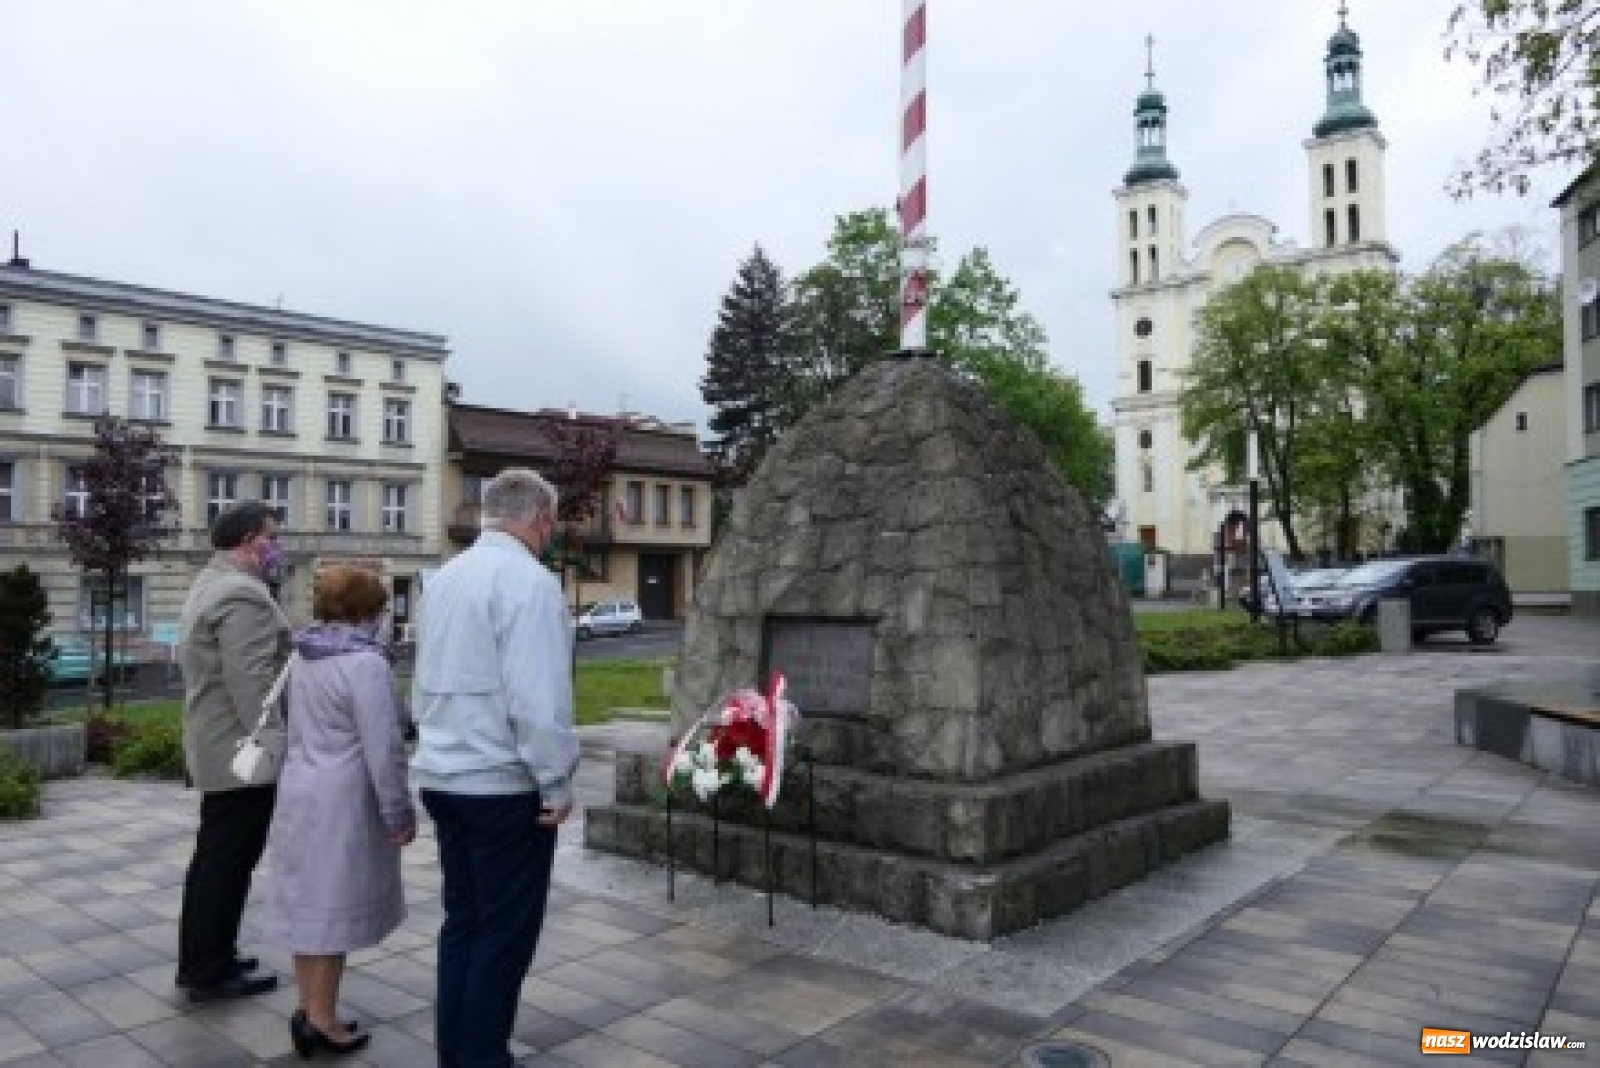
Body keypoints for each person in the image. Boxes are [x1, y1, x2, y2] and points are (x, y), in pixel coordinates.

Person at [411, 468, 579, 1068]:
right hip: (503, 785)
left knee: (463, 923)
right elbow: (539, 699)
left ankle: (456, 1053)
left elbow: (421, 677)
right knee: (503, 936)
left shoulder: (443, 578)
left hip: (442, 774)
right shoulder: (530, 584)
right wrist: (556, 781)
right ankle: (482, 1057)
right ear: (541, 519)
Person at [261, 565, 415, 1058]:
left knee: (309, 908)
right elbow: (383, 747)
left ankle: (309, 1009)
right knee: (333, 912)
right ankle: (323, 1022)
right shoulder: (365, 664)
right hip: (343, 800)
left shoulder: (304, 654)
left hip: (299, 789)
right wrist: (398, 811)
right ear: (368, 611)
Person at [175, 501, 289, 1002]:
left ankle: (206, 955)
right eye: (272, 537)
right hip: (241, 753)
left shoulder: (210, 582)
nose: (276, 548)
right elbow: (253, 684)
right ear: (248, 540)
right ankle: (209, 968)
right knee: (227, 862)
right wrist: (275, 750)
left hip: (217, 744)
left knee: (214, 859)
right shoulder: (244, 595)